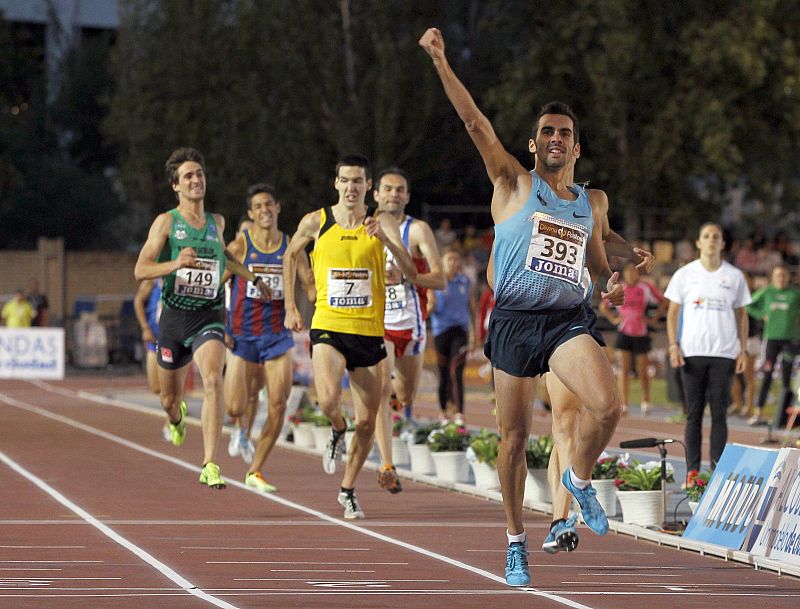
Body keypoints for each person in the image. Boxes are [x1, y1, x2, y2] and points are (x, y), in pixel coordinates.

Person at [420, 28, 624, 587]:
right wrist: (440, 59)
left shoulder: (591, 202)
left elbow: (600, 261)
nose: (555, 138)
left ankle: (578, 480)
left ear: (577, 147)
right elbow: (474, 123)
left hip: (565, 321)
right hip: (512, 322)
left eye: (565, 133)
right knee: (512, 439)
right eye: (546, 132)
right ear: (534, 145)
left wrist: (611, 281)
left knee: (607, 407)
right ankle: (514, 541)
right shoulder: (512, 182)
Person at [283, 154, 417, 519]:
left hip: (368, 332)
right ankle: (335, 429)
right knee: (328, 399)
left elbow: (410, 270)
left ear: (368, 186)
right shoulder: (317, 220)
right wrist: (292, 306)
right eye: (346, 180)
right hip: (328, 323)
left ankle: (348, 489)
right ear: (337, 183)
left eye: (359, 181)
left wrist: (387, 243)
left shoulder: (381, 222)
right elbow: (290, 253)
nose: (352, 187)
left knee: (367, 422)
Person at [134, 147, 269, 489]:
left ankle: (210, 463)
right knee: (169, 400)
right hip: (174, 320)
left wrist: (252, 277)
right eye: (188, 176)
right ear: (176, 187)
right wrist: (175, 264)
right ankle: (176, 420)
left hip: (208, 316)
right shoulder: (166, 222)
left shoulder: (217, 223)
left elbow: (224, 259)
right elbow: (141, 269)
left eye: (199, 174)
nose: (196, 180)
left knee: (212, 379)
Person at [224, 182, 315, 491]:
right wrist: (218, 325)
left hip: (277, 335)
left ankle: (256, 469)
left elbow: (310, 286)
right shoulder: (241, 245)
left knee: (278, 404)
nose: (265, 210)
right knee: (235, 406)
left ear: (278, 208)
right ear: (252, 213)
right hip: (242, 334)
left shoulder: (292, 246)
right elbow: (217, 284)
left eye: (269, 205)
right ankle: (240, 427)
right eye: (258, 206)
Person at [371, 167, 444, 494]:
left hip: (410, 325)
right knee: (381, 390)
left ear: (407, 196)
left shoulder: (418, 231)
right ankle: (387, 464)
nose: (393, 194)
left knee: (405, 395)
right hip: (377, 323)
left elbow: (440, 278)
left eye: (400, 190)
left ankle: (401, 407)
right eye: (387, 189)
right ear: (376, 194)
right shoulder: (364, 228)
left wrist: (408, 275)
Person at [665, 222, 751, 479]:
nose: (712, 240)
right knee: (693, 415)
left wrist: (743, 349)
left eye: (716, 236)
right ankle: (692, 472)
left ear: (723, 243)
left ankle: (716, 472)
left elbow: (742, 315)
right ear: (699, 243)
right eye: (706, 236)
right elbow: (672, 314)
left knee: (719, 415)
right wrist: (673, 345)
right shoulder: (685, 274)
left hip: (724, 354)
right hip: (692, 353)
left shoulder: (734, 276)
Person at [600, 260, 667, 415]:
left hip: (641, 332)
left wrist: (654, 318)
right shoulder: (620, 287)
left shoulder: (645, 287)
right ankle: (624, 403)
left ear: (637, 273)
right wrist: (614, 319)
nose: (631, 275)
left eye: (634, 272)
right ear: (624, 274)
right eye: (628, 272)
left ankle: (646, 400)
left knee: (643, 370)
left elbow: (663, 301)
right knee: (624, 370)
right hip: (624, 331)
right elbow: (604, 306)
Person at [746, 263, 800, 427]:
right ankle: (759, 412)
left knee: (786, 378)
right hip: (772, 339)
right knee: (767, 375)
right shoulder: (767, 292)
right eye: (778, 276)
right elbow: (748, 304)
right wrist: (762, 314)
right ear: (773, 278)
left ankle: (782, 417)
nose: (781, 279)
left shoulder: (795, 293)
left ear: (788, 277)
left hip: (791, 340)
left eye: (784, 276)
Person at [428, 245, 475, 425]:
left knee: (457, 371)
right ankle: (442, 410)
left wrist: (474, 335)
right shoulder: (436, 282)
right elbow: (430, 305)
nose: (453, 263)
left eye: (456, 260)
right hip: (441, 332)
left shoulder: (465, 282)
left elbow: (472, 307)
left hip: (460, 331)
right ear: (442, 262)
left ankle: (459, 412)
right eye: (449, 259)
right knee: (444, 373)